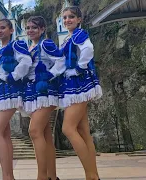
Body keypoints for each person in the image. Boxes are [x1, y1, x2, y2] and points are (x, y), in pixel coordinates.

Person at [52, 6, 103, 180]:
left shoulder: (79, 35)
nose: (67, 20)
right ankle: (93, 175)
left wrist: (79, 68)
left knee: (68, 128)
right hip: (75, 83)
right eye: (64, 18)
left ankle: (91, 175)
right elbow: (61, 63)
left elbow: (88, 50)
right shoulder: (68, 38)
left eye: (71, 17)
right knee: (83, 130)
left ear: (79, 19)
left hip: (79, 83)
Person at [0, 19, 32, 180]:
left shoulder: (16, 45)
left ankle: (7, 176)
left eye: (3, 28)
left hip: (9, 89)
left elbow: (26, 61)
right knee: (4, 134)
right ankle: (8, 175)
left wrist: (11, 77)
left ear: (11, 30)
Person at [24, 16, 63, 180]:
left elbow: (61, 60)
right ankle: (52, 176)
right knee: (45, 134)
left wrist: (49, 75)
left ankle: (42, 176)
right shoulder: (30, 46)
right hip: (34, 91)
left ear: (42, 29)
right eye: (28, 28)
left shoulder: (46, 43)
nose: (30, 30)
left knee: (34, 131)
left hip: (45, 90)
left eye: (34, 27)